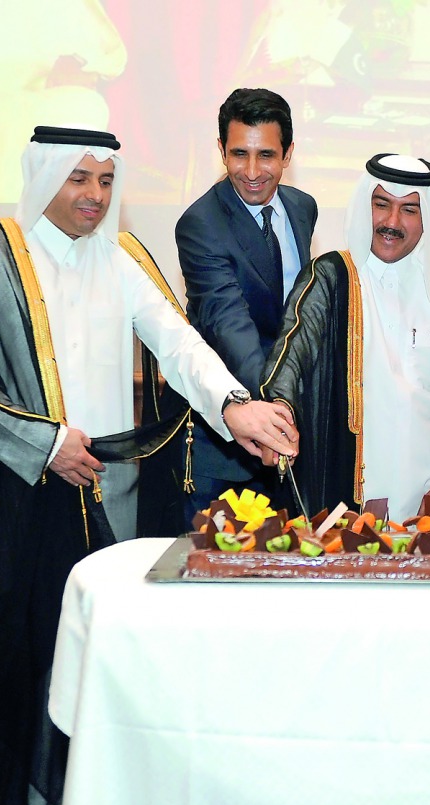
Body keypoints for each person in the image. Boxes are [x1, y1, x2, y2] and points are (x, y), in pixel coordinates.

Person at [0, 126, 298, 805]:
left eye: (106, 181)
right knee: (9, 670)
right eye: (78, 178)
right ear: (44, 177)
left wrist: (235, 406)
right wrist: (45, 443)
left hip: (108, 504)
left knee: (88, 669)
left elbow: (180, 345)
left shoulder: (123, 257)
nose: (94, 195)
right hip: (14, 503)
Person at [260, 153, 430, 520]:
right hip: (348, 494)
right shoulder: (332, 277)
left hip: (426, 500)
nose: (391, 222)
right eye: (381, 204)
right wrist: (280, 409)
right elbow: (293, 352)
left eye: (409, 210)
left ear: (427, 219)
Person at [176, 87, 317, 516]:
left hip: (288, 433)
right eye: (239, 154)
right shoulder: (200, 225)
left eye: (266, 155)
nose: (252, 171)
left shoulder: (302, 208)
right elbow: (230, 326)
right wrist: (280, 409)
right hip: (224, 444)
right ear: (221, 150)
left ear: (288, 153)